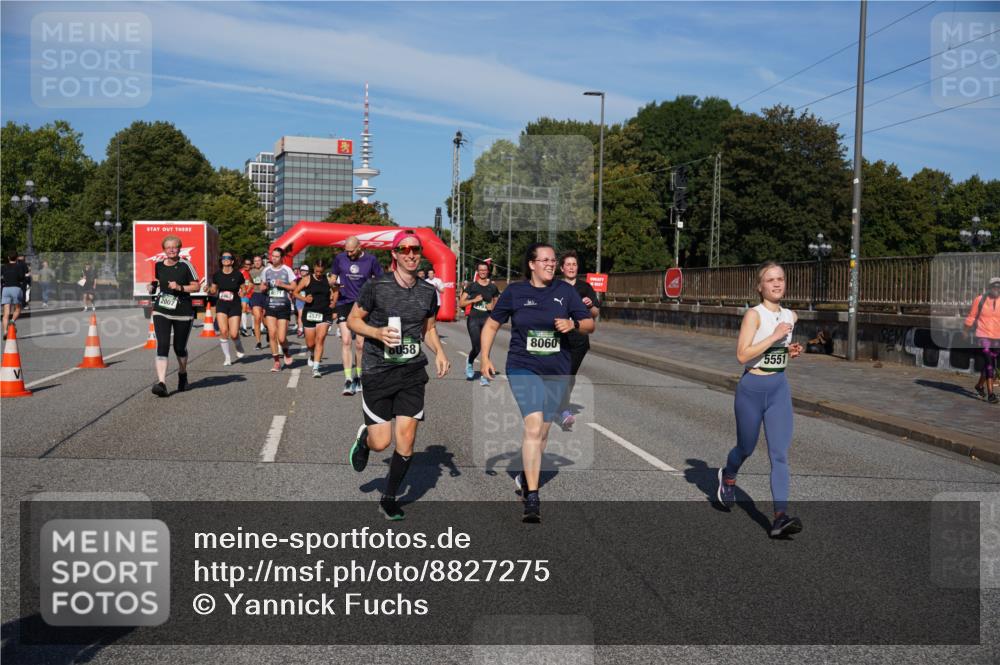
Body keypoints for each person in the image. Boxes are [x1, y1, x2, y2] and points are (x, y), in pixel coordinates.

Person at [479, 243, 594, 523]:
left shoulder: (565, 292)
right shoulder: (516, 292)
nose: (551, 264)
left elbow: (589, 323)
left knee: (542, 434)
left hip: (556, 369)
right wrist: (485, 358)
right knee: (533, 424)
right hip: (522, 366)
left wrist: (573, 325)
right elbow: (492, 324)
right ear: (531, 264)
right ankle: (532, 496)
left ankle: (524, 474)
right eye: (545, 260)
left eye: (553, 260)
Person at [347, 229, 449, 520]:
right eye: (404, 250)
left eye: (415, 249)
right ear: (394, 255)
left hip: (411, 372)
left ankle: (389, 497)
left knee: (406, 439)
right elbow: (353, 320)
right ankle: (366, 438)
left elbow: (427, 329)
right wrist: (376, 332)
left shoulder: (428, 291)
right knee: (382, 443)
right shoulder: (376, 287)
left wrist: (439, 352)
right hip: (378, 371)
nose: (411, 254)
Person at [716, 261, 805, 538]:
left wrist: (788, 349)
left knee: (779, 455)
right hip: (752, 388)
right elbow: (742, 355)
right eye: (770, 280)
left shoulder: (791, 315)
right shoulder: (753, 315)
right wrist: (775, 336)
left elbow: (777, 347)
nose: (777, 284)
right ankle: (728, 477)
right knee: (746, 447)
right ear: (760, 286)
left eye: (780, 279)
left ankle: (779, 517)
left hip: (779, 388)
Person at [148, 235, 200, 396]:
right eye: (168, 247)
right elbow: (156, 281)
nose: (171, 249)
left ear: (179, 249)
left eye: (174, 247)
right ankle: (162, 383)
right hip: (161, 309)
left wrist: (179, 287)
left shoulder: (186, 265)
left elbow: (196, 286)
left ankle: (182, 374)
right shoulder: (158, 265)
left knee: (179, 348)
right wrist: (151, 286)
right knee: (162, 344)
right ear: (164, 250)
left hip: (183, 312)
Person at [331, 236, 383, 396]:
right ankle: (347, 379)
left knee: (360, 345)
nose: (349, 254)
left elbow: (380, 280)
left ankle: (359, 377)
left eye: (351, 251)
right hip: (344, 303)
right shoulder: (340, 258)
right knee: (346, 341)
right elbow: (332, 278)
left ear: (360, 247)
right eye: (346, 250)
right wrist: (333, 283)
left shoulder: (371, 260)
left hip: (362, 305)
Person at [556, 251, 601, 430]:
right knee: (562, 373)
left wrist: (590, 306)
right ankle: (563, 409)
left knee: (570, 374)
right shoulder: (555, 286)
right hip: (559, 337)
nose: (572, 267)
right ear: (562, 268)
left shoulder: (585, 287)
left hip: (579, 338)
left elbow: (595, 313)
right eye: (568, 264)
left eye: (574, 264)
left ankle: (562, 406)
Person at [293, 260, 337, 378]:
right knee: (310, 343)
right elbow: (295, 292)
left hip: (324, 313)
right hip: (310, 313)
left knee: (320, 339)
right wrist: (304, 299)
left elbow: (336, 290)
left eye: (321, 272)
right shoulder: (306, 279)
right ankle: (312, 354)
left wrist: (334, 303)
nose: (318, 273)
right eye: (317, 271)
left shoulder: (328, 279)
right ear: (314, 268)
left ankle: (316, 368)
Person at [458, 261, 499, 386]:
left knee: (486, 348)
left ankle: (484, 375)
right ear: (478, 271)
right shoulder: (472, 286)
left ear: (488, 271)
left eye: (485, 270)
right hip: (474, 318)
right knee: (477, 347)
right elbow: (461, 303)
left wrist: (492, 306)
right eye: (480, 270)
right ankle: (470, 362)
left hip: (487, 319)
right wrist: (474, 300)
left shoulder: (492, 287)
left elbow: (497, 303)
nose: (483, 272)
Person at [209, 251, 248, 366]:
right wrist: (208, 290)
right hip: (221, 304)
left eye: (228, 257)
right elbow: (213, 290)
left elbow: (243, 288)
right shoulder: (217, 275)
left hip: (235, 304)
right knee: (224, 331)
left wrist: (243, 292)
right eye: (223, 257)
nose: (225, 259)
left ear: (232, 261)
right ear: (221, 261)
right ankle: (227, 357)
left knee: (234, 333)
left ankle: (238, 345)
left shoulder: (238, 275)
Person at [964, 276, 1000, 404]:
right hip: (983, 335)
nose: (996, 289)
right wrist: (966, 331)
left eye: (998, 287)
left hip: (997, 338)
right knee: (990, 363)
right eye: (994, 286)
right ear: (989, 288)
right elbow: (971, 316)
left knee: (989, 363)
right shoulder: (979, 300)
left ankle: (979, 385)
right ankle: (991, 394)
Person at [261, 248, 298, 372]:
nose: (274, 258)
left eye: (277, 256)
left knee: (281, 338)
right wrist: (263, 287)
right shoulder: (266, 270)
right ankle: (276, 362)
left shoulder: (287, 270)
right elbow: (262, 286)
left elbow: (294, 286)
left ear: (282, 257)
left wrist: (283, 285)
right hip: (270, 305)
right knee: (272, 334)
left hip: (284, 306)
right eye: (273, 256)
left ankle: (286, 352)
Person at [1, 253, 29, 336]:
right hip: (16, 288)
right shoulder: (19, 267)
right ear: (17, 258)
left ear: (8, 257)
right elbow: (21, 277)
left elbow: (2, 277)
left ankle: (5, 332)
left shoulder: (3, 267)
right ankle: (12, 321)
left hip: (5, 289)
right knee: (17, 309)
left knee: (6, 313)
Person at [248, 255, 268, 350]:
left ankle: (268, 330)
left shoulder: (267, 270)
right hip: (255, 295)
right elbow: (251, 283)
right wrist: (245, 291)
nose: (257, 262)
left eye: (258, 260)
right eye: (255, 261)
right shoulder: (251, 272)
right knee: (257, 317)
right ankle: (258, 342)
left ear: (262, 261)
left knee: (265, 319)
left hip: (266, 295)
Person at [239, 258, 253, 336]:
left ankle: (254, 329)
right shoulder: (241, 272)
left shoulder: (252, 272)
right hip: (244, 294)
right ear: (243, 264)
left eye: (249, 264)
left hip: (253, 294)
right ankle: (244, 328)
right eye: (246, 264)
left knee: (254, 311)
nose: (248, 266)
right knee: (244, 309)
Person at [294, 264, 310, 337]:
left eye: (304, 271)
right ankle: (300, 329)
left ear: (307, 272)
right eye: (302, 271)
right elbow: (294, 289)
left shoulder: (310, 279)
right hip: (299, 299)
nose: (303, 272)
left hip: (308, 299)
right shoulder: (297, 280)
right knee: (300, 314)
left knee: (307, 315)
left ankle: (307, 329)